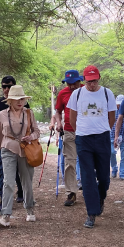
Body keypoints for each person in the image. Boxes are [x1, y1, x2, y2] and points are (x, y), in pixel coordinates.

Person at [67, 65, 117, 228]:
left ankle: (101, 197)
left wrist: (103, 130)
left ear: (98, 78)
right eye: (89, 82)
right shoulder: (77, 93)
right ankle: (91, 213)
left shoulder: (107, 93)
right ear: (84, 80)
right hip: (83, 139)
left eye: (94, 81)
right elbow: (72, 117)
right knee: (87, 177)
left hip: (102, 137)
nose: (92, 85)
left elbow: (111, 117)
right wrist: (81, 131)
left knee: (103, 177)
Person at [0, 85, 40, 227]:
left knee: (26, 181)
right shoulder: (2, 114)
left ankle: (30, 210)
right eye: (16, 99)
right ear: (9, 100)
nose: (19, 102)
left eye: (22, 99)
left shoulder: (28, 113)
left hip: (25, 149)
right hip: (8, 148)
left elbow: (37, 131)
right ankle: (5, 215)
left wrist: (30, 137)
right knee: (8, 181)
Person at [0, 75, 26, 212]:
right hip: (4, 144)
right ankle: (3, 201)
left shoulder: (24, 104)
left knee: (20, 172)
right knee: (2, 172)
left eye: (9, 86)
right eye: (4, 86)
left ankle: (22, 193)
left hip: (21, 144)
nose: (6, 89)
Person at [51, 69, 83, 206]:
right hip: (69, 131)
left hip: (86, 132)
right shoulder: (63, 93)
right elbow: (58, 111)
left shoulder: (86, 91)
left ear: (79, 81)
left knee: (87, 161)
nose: (71, 86)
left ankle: (89, 190)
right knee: (70, 162)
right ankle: (71, 192)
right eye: (68, 83)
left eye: (74, 83)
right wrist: (59, 123)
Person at [110, 95, 124, 180]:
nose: (119, 106)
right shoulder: (112, 111)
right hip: (113, 136)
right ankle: (114, 169)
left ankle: (122, 174)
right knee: (112, 153)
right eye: (118, 104)